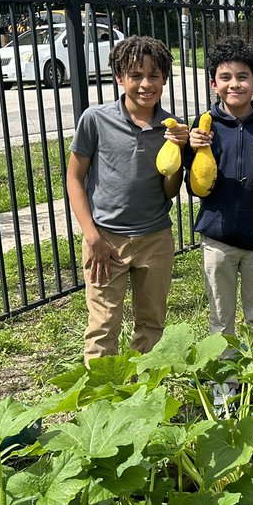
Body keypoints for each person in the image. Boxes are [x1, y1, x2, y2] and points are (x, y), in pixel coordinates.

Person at [66, 35, 190, 362]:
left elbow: (169, 190)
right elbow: (74, 178)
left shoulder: (171, 127)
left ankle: (144, 397)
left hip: (155, 238)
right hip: (106, 240)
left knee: (151, 324)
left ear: (165, 78)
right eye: (135, 75)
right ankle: (103, 404)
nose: (145, 84)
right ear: (120, 78)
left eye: (154, 75)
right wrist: (91, 237)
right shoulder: (95, 120)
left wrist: (179, 149)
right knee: (103, 325)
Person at [189, 34, 253, 338]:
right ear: (213, 83)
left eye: (243, 77)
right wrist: (193, 148)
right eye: (226, 77)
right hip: (218, 238)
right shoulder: (205, 124)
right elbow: (196, 185)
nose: (234, 84)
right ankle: (226, 380)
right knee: (221, 318)